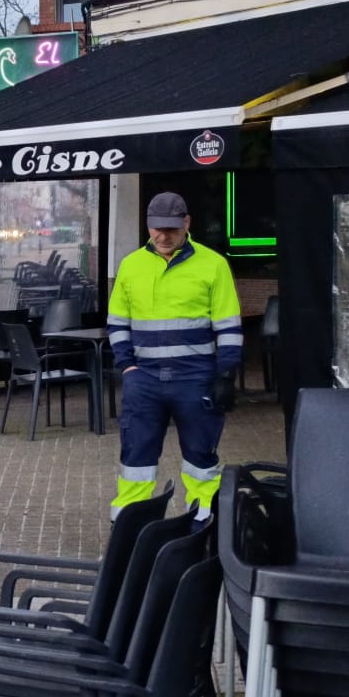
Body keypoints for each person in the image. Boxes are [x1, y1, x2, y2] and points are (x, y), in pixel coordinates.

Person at [107, 191, 243, 520]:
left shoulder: (213, 265)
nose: (163, 236)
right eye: (156, 228)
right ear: (148, 226)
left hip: (196, 379)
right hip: (144, 379)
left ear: (186, 223)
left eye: (171, 228)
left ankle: (204, 527)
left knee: (201, 460)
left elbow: (229, 327)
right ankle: (130, 527)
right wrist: (127, 367)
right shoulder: (131, 265)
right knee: (136, 459)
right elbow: (117, 322)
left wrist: (225, 375)